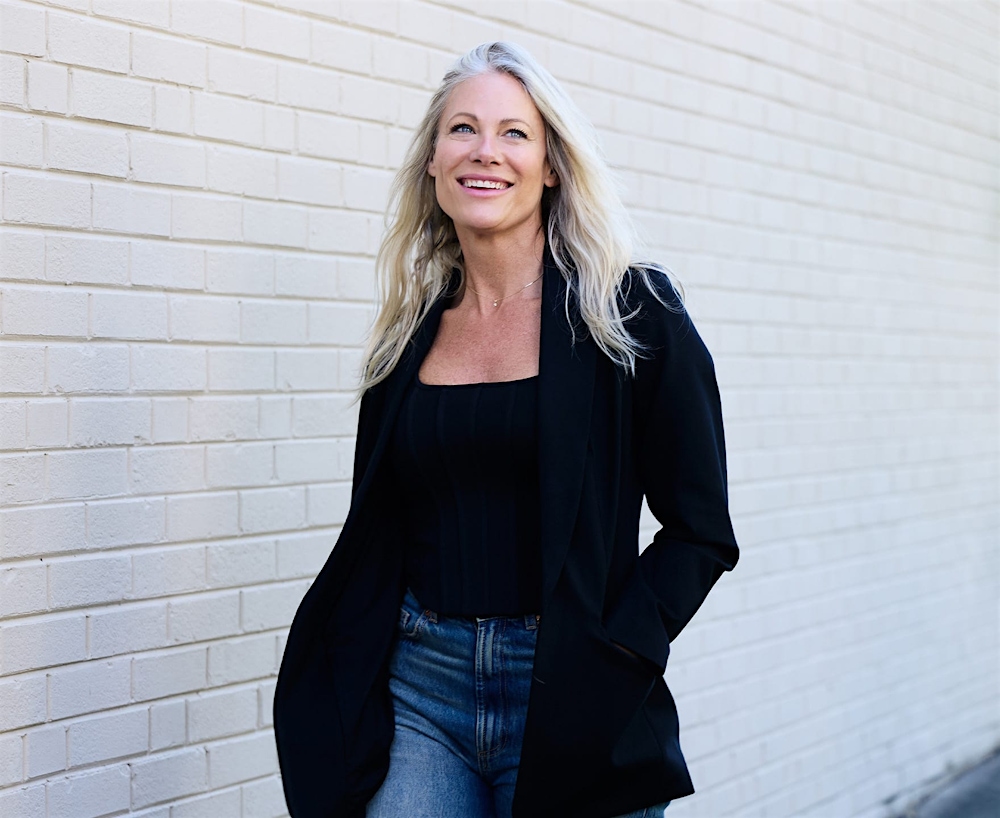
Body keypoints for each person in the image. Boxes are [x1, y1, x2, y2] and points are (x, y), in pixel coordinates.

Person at [273, 41, 739, 818]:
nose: (485, 152)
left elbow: (702, 529)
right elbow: (384, 522)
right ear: (432, 160)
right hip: (422, 690)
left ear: (552, 165)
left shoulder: (629, 314)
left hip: (571, 686)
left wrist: (616, 647)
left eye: (515, 133)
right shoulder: (408, 338)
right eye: (462, 129)